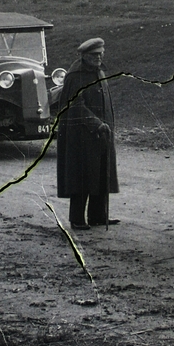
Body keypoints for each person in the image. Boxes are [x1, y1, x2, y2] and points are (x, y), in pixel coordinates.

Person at [55, 37, 118, 229]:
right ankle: (77, 219)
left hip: (102, 133)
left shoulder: (99, 72)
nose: (98, 58)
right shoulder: (76, 76)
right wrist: (96, 124)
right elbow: (75, 105)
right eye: (94, 55)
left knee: (100, 174)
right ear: (84, 56)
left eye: (100, 54)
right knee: (82, 176)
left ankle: (98, 216)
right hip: (81, 136)